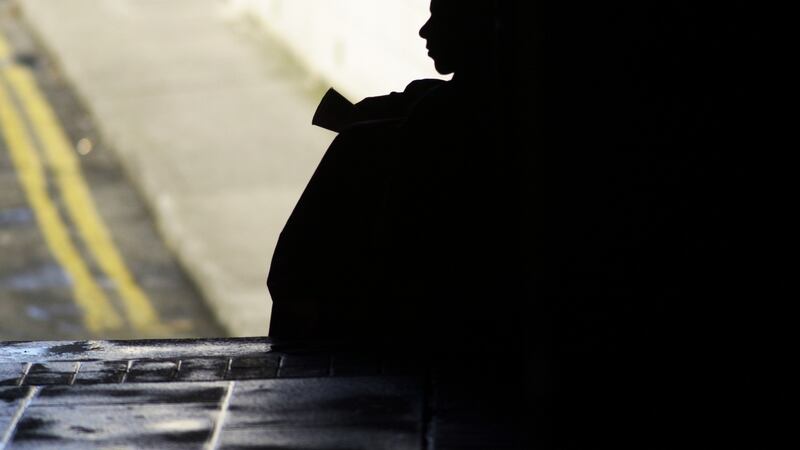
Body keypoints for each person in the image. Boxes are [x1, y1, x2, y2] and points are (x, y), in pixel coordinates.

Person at [267, 0, 522, 346]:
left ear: (479, 30)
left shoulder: (434, 115)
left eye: (441, 17)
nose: (424, 30)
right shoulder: (442, 105)